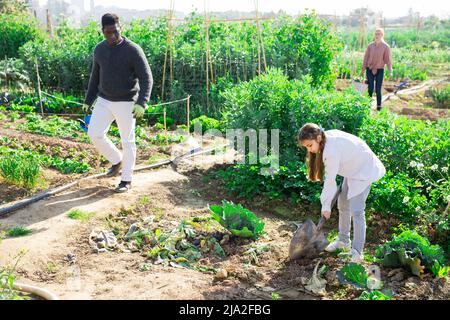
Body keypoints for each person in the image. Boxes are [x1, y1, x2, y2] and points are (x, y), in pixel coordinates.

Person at [82, 13, 153, 193]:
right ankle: (116, 160)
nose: (112, 36)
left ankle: (126, 180)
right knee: (94, 133)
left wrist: (141, 102)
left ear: (120, 27)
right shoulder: (99, 50)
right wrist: (88, 100)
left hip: (126, 102)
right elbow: (95, 77)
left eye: (115, 31)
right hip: (104, 100)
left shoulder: (132, 50)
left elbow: (147, 78)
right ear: (102, 31)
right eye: (108, 33)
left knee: (128, 141)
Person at [297, 123, 386, 262]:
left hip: (363, 170)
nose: (309, 150)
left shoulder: (331, 151)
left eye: (309, 145)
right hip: (352, 168)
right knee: (343, 204)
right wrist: (326, 205)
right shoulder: (325, 140)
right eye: (306, 147)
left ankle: (357, 252)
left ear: (318, 138)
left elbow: (330, 181)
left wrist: (326, 206)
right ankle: (344, 241)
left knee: (357, 211)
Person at [362, 28, 393, 111]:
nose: (377, 35)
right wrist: (362, 70)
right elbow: (365, 58)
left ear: (382, 35)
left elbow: (388, 59)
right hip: (370, 69)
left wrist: (390, 70)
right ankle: (367, 106)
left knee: (378, 89)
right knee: (370, 88)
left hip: (380, 70)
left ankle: (379, 108)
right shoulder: (370, 46)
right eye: (376, 34)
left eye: (379, 34)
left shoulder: (385, 47)